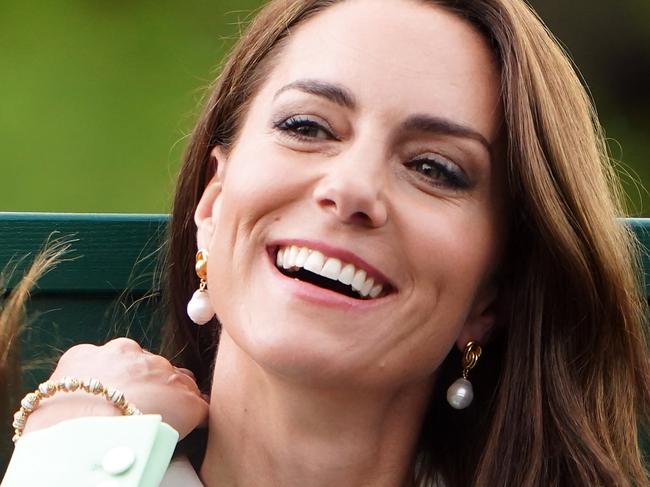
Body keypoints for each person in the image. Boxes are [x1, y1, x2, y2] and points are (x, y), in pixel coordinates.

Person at [2, 0, 649, 485]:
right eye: (307, 126)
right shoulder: (70, 458)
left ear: (490, 295)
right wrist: (72, 452)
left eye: (434, 168)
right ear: (213, 200)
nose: (352, 188)